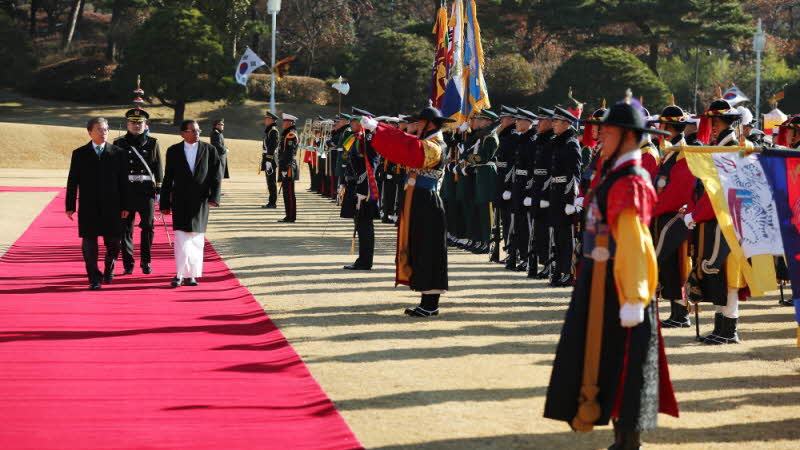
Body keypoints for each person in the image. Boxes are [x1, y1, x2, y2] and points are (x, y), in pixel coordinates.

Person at [544, 97, 678, 449]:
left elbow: (634, 241)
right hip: (602, 277)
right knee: (608, 358)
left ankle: (628, 441)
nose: (599, 136)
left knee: (627, 364)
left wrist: (633, 296)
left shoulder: (630, 180)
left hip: (619, 284)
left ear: (629, 137)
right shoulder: (615, 173)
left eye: (608, 131)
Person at [360, 104, 453, 316]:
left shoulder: (435, 145)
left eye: (419, 123)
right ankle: (426, 301)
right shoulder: (426, 141)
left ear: (430, 125)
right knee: (419, 249)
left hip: (427, 203)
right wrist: (378, 130)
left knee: (428, 251)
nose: (415, 127)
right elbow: (404, 143)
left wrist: (378, 129)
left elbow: (408, 148)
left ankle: (431, 304)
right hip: (418, 201)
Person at [684, 99, 749, 344]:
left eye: (713, 122)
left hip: (728, 221)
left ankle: (729, 329)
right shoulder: (721, 147)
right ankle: (721, 327)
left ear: (721, 123)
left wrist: (696, 215)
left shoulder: (730, 149)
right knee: (720, 274)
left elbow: (718, 192)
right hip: (718, 220)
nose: (710, 127)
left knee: (730, 274)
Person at [66, 117, 130, 290]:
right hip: (89, 206)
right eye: (100, 129)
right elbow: (73, 181)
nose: (104, 132)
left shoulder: (118, 153)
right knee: (89, 245)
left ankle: (109, 266)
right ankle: (94, 277)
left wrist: (126, 206)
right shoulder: (79, 154)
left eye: (106, 129)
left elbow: (124, 182)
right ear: (90, 132)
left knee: (114, 242)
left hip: (113, 206)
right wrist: (70, 205)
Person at [159, 119, 222, 287]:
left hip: (200, 200)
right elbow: (168, 178)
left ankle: (192, 275)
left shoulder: (210, 150)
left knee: (196, 238)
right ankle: (179, 274)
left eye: (198, 130)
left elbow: (217, 176)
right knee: (181, 237)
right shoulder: (173, 151)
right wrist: (164, 203)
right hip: (180, 199)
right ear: (183, 133)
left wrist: (214, 198)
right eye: (193, 131)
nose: (197, 133)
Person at [651, 103, 695, 328]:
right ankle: (676, 312)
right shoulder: (669, 151)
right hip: (663, 215)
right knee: (668, 266)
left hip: (673, 216)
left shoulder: (682, 153)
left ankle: (682, 312)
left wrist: (652, 207)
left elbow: (678, 191)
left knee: (670, 263)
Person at [113, 108, 162, 275]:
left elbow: (158, 168)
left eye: (139, 123)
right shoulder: (119, 143)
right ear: (127, 124)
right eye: (133, 122)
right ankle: (128, 263)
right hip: (126, 191)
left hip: (146, 191)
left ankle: (146, 261)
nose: (136, 125)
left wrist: (160, 190)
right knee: (126, 229)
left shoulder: (153, 143)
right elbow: (115, 170)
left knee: (148, 226)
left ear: (145, 124)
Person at [547, 106, 582, 287]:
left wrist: (571, 200)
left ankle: (568, 272)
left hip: (565, 195)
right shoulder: (558, 142)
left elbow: (574, 174)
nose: (553, 124)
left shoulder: (571, 143)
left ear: (567, 124)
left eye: (557, 122)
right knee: (558, 235)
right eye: (553, 121)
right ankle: (558, 270)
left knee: (567, 237)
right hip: (555, 193)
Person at [344, 108, 380, 270]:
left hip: (364, 186)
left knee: (365, 224)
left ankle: (365, 261)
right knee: (360, 223)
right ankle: (362, 259)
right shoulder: (357, 138)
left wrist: (363, 186)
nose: (351, 124)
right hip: (356, 184)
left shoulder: (368, 138)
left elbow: (371, 163)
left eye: (354, 121)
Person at [505, 108, 537, 271]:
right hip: (518, 184)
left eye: (519, 120)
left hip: (526, 187)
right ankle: (518, 254)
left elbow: (533, 168)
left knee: (525, 225)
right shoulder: (519, 139)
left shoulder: (532, 141)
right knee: (517, 223)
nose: (516, 123)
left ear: (528, 123)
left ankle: (526, 257)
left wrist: (529, 191)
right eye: (516, 120)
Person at [530, 107, 556, 279]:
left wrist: (546, 195)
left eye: (542, 120)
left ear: (549, 122)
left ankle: (548, 264)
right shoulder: (539, 140)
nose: (538, 124)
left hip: (547, 192)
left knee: (547, 232)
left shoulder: (552, 141)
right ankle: (542, 262)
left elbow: (552, 171)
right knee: (539, 230)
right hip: (536, 190)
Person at [491, 106, 519, 263]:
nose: (501, 121)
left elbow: (513, 164)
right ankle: (506, 249)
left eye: (504, 118)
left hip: (508, 182)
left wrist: (508, 187)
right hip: (500, 180)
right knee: (503, 219)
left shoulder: (513, 136)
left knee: (509, 220)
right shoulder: (501, 134)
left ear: (511, 120)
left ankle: (510, 250)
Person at [278, 113, 299, 222]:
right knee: (286, 192)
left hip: (289, 167)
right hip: (286, 166)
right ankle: (288, 215)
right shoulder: (287, 133)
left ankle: (291, 216)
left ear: (290, 123)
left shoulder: (291, 135)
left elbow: (289, 154)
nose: (283, 124)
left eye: (285, 122)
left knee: (289, 192)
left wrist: (286, 168)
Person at [260, 112, 280, 208]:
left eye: (267, 119)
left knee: (271, 182)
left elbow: (272, 147)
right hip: (267, 158)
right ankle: (271, 201)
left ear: (271, 120)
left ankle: (272, 202)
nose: (265, 121)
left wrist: (268, 160)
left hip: (270, 159)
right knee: (269, 182)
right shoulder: (269, 131)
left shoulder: (273, 131)